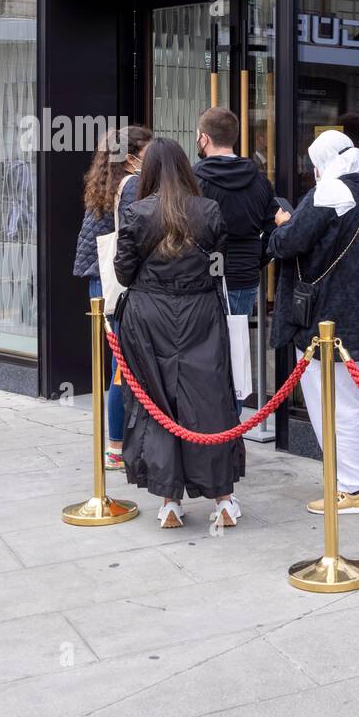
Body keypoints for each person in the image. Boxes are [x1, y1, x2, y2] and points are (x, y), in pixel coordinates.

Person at [114, 137, 245, 529]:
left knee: (157, 403)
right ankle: (223, 500)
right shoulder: (209, 211)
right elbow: (217, 262)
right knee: (209, 401)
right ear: (187, 168)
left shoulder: (138, 212)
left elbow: (123, 273)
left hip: (148, 315)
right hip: (201, 313)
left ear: (149, 170)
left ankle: (169, 502)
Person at [269, 130, 359, 515]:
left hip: (328, 321)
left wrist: (282, 222)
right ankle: (356, 478)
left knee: (332, 406)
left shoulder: (328, 193)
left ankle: (352, 488)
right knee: (355, 404)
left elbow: (287, 244)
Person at [71, 125, 153, 470]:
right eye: (148, 152)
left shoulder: (104, 182)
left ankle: (117, 444)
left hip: (98, 280)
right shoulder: (131, 184)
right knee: (124, 365)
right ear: (132, 155)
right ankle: (118, 446)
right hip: (118, 280)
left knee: (118, 363)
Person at [192, 107, 277, 415]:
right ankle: (234, 419)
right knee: (236, 348)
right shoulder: (259, 180)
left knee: (202, 351)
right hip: (243, 274)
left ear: (204, 138)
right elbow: (274, 229)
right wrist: (257, 260)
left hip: (202, 277)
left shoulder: (194, 178)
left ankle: (209, 426)